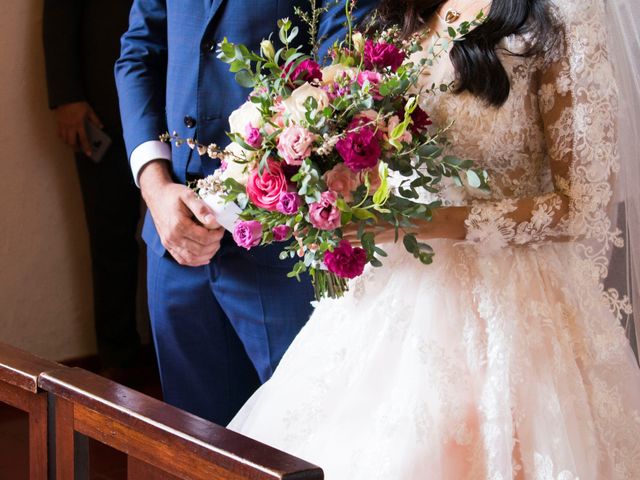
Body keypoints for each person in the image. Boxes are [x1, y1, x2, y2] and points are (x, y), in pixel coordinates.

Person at [229, 0, 640, 478]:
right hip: (393, 290)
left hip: (516, 307)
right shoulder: (406, 8)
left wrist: (421, 221)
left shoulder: (564, 14)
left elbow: (581, 208)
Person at [115, 0, 378, 425]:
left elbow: (341, 76)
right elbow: (139, 52)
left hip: (285, 253)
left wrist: (237, 198)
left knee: (305, 440)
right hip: (174, 240)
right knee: (196, 449)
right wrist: (155, 186)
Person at [43, 0, 142, 379]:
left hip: (177, 93)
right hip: (101, 104)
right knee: (109, 236)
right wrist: (65, 95)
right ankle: (119, 361)